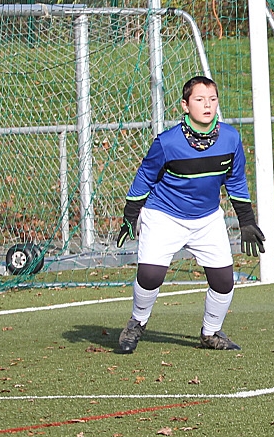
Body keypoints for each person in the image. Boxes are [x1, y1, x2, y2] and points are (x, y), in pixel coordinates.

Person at [113, 76, 264, 353]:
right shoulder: (167, 142)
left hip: (207, 219)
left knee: (224, 281)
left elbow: (236, 180)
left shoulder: (231, 138)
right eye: (199, 99)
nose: (207, 105)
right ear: (185, 105)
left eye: (212, 99)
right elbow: (144, 177)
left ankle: (211, 333)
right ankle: (136, 323)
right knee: (150, 275)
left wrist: (247, 220)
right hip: (164, 215)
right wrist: (130, 214)